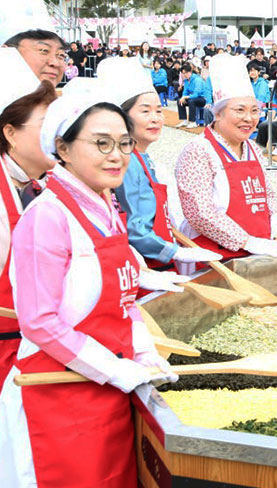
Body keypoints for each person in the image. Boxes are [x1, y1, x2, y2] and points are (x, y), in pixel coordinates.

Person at [0, 82, 183, 488]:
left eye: (124, 143)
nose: (117, 155)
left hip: (107, 396)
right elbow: (40, 323)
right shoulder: (46, 217)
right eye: (101, 143)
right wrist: (115, 369)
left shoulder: (107, 207)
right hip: (58, 400)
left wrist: (143, 353)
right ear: (62, 149)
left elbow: (125, 299)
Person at [98, 57, 221, 274]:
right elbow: (136, 229)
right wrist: (173, 251)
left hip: (159, 259)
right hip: (147, 266)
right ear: (122, 117)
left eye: (158, 111)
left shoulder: (144, 158)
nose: (155, 119)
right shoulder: (128, 161)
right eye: (145, 111)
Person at [175, 54, 277, 267]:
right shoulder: (198, 151)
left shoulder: (253, 148)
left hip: (259, 252)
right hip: (215, 258)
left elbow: (268, 193)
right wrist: (245, 241)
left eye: (254, 111)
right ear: (217, 114)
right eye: (239, 110)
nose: (249, 119)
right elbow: (199, 213)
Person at [0, 49, 55, 388]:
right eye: (46, 125)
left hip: (33, 352)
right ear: (10, 134)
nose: (57, 135)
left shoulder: (39, 184)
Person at [177, 64, 206, 129]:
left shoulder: (197, 80)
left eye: (186, 73)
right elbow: (185, 92)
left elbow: (196, 94)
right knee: (179, 101)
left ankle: (193, 122)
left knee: (191, 101)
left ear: (190, 72)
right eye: (183, 73)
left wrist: (185, 97)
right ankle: (184, 120)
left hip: (202, 98)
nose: (184, 75)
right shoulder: (186, 81)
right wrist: (183, 97)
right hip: (193, 97)